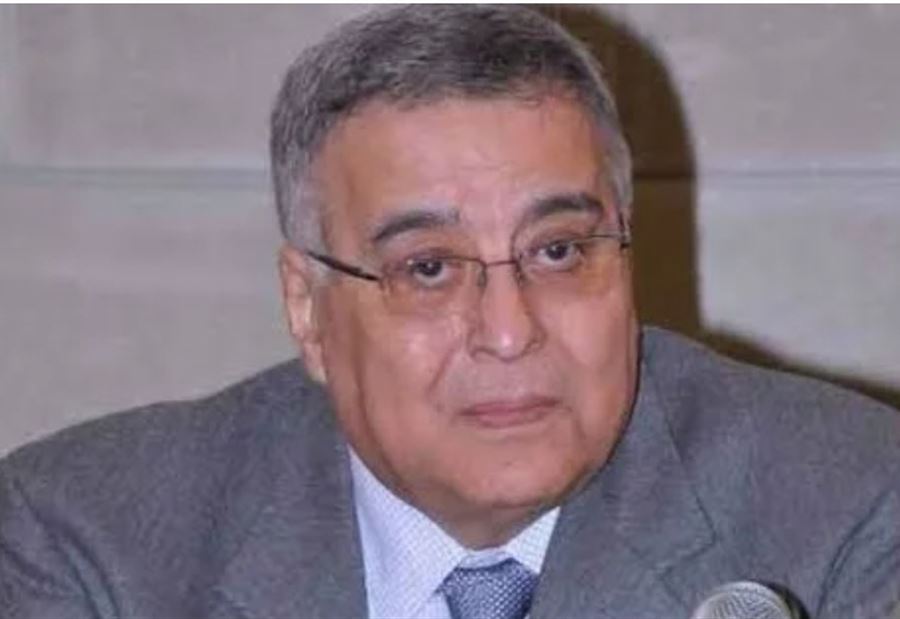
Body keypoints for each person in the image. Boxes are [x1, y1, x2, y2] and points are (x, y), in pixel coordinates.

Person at [1, 5, 898, 619]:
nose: (509, 330)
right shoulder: (88, 541)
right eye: (428, 268)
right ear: (307, 308)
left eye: (558, 250)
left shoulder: (849, 507)